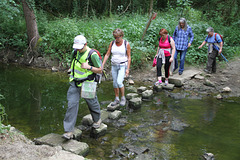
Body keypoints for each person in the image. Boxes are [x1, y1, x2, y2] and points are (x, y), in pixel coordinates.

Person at [62, 35, 102, 140]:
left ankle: (97, 120)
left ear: (86, 44)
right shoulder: (74, 52)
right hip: (74, 82)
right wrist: (71, 70)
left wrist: (89, 67)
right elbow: (72, 64)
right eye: (77, 47)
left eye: (80, 47)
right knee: (71, 105)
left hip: (88, 83)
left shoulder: (92, 54)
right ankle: (68, 131)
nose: (78, 49)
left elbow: (100, 70)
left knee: (92, 103)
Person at [102, 28, 131, 106]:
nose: (116, 39)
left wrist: (127, 69)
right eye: (115, 37)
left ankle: (123, 98)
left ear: (121, 36)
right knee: (115, 83)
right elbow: (107, 54)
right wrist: (102, 64)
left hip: (122, 65)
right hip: (114, 65)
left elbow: (129, 57)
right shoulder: (112, 43)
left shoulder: (126, 44)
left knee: (119, 82)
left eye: (118, 37)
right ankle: (117, 98)